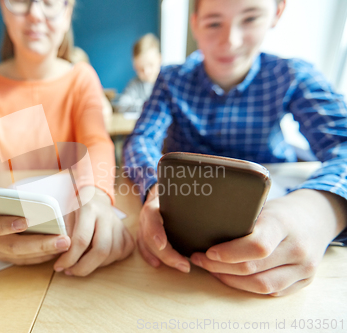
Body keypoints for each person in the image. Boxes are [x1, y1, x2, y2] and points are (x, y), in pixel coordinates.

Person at [123, 0, 347, 296]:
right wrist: (155, 188)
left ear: (277, 13)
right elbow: (140, 140)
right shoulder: (171, 78)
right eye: (214, 23)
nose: (231, 40)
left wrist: (320, 210)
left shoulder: (292, 75)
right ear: (195, 23)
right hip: (179, 241)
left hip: (278, 215)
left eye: (250, 18)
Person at [0, 0, 134, 277]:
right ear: (3, 9)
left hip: (71, 249)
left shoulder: (81, 78)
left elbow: (96, 141)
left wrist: (97, 195)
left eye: (49, 2)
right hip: (6, 268)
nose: (35, 14)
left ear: (67, 13)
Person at [114, 33, 162, 116]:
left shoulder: (168, 82)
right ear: (134, 66)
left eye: (150, 65)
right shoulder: (135, 85)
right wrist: (148, 105)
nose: (147, 72)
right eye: (141, 68)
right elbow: (121, 105)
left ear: (159, 59)